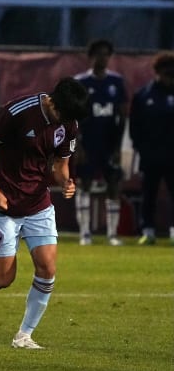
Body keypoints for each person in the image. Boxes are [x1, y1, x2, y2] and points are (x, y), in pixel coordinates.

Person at [0, 77, 89, 349]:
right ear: (53, 101)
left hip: (37, 202)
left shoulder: (69, 123)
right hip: (3, 202)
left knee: (47, 267)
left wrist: (66, 181)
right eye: (61, 115)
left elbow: (60, 165)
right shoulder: (18, 111)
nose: (64, 121)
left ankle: (24, 336)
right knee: (4, 278)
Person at [72, 39, 128, 246]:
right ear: (91, 56)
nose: (102, 58)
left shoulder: (116, 83)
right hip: (87, 141)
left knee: (113, 184)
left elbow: (121, 117)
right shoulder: (81, 83)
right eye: (98, 54)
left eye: (106, 54)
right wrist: (77, 145)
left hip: (109, 142)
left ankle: (112, 233)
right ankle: (85, 233)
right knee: (84, 184)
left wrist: (118, 147)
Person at [129, 51, 174, 245]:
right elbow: (135, 125)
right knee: (149, 194)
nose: (170, 78)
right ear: (157, 72)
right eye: (166, 73)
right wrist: (141, 148)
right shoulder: (143, 95)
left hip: (173, 154)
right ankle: (148, 230)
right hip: (151, 155)